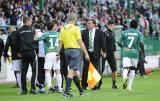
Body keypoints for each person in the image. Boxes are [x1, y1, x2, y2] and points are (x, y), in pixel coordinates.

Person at [56, 13, 90, 97]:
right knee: (71, 70)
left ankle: (81, 91)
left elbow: (60, 42)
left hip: (66, 51)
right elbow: (80, 41)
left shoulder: (63, 28)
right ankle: (66, 92)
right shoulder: (76, 28)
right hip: (75, 51)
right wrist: (86, 53)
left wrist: (57, 53)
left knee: (74, 72)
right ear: (75, 19)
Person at [34, 20, 63, 93]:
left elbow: (35, 39)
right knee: (58, 71)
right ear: (53, 27)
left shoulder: (46, 34)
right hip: (56, 54)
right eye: (55, 25)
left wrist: (36, 33)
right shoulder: (58, 34)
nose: (56, 26)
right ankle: (59, 87)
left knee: (47, 70)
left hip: (49, 54)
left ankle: (49, 86)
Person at [118, 20, 145, 91]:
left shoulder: (124, 32)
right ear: (136, 26)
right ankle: (129, 87)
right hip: (134, 53)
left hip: (126, 52)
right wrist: (143, 52)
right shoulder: (139, 33)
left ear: (130, 25)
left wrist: (123, 47)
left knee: (125, 68)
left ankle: (124, 79)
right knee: (133, 69)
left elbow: (118, 42)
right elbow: (141, 43)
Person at [81, 19, 106, 90]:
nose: (87, 24)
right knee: (85, 69)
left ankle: (94, 85)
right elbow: (81, 42)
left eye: (89, 23)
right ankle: (83, 85)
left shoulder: (100, 32)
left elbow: (103, 42)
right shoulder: (84, 32)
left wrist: (104, 52)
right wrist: (82, 52)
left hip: (96, 54)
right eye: (87, 23)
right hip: (87, 54)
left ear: (94, 24)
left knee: (94, 70)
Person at [16, 17, 38, 94]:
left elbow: (16, 43)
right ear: (27, 21)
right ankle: (32, 88)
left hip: (24, 53)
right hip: (32, 52)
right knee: (34, 71)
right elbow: (36, 41)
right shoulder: (33, 30)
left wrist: (19, 51)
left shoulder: (18, 31)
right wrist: (36, 51)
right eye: (31, 21)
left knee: (23, 72)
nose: (31, 22)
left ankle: (24, 90)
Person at [101, 20, 118, 89]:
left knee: (114, 69)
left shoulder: (113, 33)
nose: (115, 26)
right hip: (104, 53)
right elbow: (102, 42)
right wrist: (102, 51)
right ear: (111, 25)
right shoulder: (104, 32)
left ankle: (114, 84)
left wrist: (115, 52)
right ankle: (99, 84)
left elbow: (113, 44)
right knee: (101, 69)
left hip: (111, 54)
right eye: (114, 25)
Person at [32, 23, 45, 93]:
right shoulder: (43, 34)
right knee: (43, 70)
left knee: (38, 71)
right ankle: (42, 85)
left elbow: (34, 41)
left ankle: (40, 86)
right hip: (44, 55)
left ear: (34, 28)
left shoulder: (35, 34)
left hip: (38, 55)